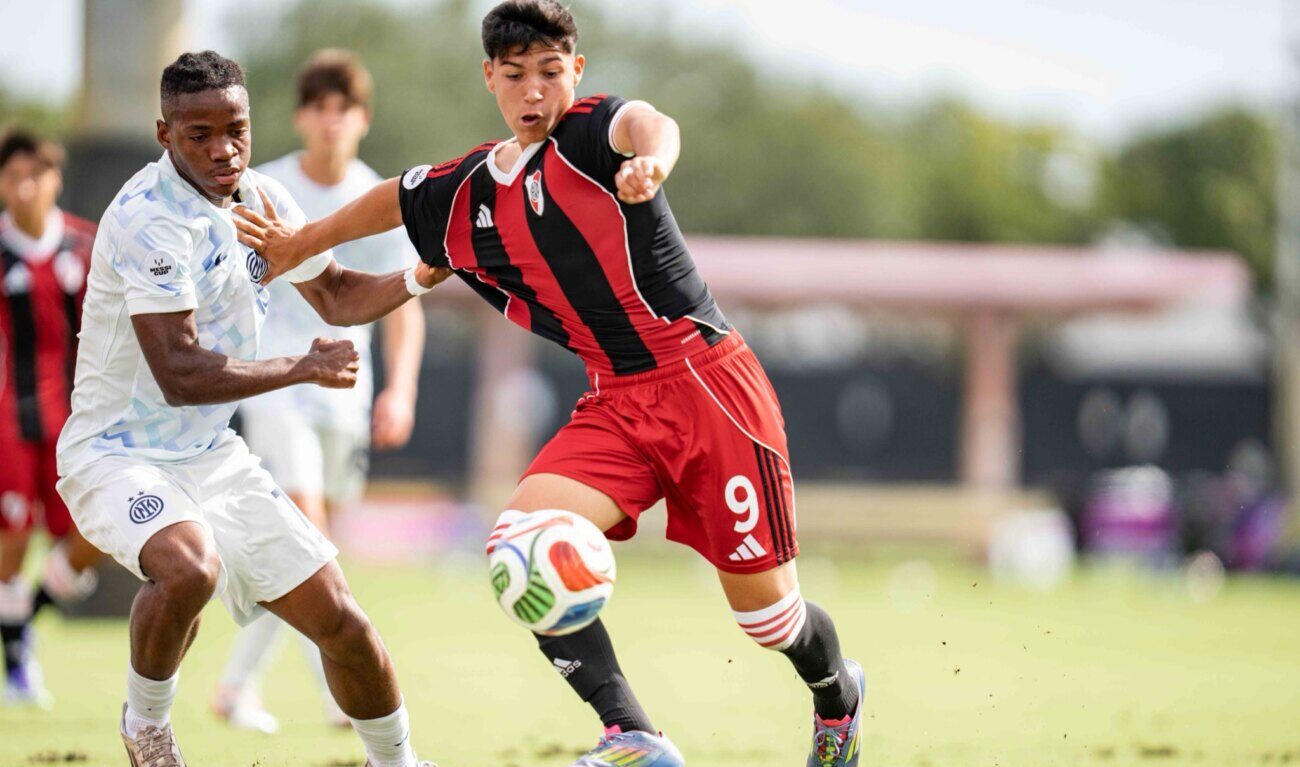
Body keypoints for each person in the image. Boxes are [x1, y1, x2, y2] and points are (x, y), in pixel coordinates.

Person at [235, 2, 865, 764]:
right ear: (488, 79)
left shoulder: (595, 135)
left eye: (549, 72)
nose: (534, 91)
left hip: (709, 387)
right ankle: (633, 732)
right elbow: (354, 275)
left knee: (770, 620)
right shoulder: (462, 195)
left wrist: (653, 165)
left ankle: (838, 695)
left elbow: (651, 124)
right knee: (520, 545)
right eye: (514, 75)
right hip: (617, 402)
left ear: (576, 73)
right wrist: (297, 246)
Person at [55, 51, 447, 766]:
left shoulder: (263, 200)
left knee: (343, 621)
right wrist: (303, 366)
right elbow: (180, 372)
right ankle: (147, 726)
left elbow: (336, 294)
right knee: (190, 567)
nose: (223, 148)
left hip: (211, 457)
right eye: (198, 134)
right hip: (116, 453)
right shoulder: (149, 221)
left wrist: (425, 273)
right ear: (163, 135)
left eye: (235, 128)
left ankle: (397, 761)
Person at [212, 49, 425, 734]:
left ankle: (235, 684)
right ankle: (341, 690)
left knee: (305, 546)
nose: (332, 122)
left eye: (345, 110)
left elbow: (404, 304)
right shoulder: (264, 187)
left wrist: (401, 392)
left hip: (347, 388)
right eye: (320, 109)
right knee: (309, 535)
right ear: (303, 117)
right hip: (277, 379)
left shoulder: (376, 197)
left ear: (362, 121)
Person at [0, 129, 104, 707]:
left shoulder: (86, 247)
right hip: (10, 419)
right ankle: (17, 663)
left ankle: (24, 621)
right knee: (13, 535)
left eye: (34, 174)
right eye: (12, 176)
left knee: (93, 539)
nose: (24, 187)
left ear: (54, 179)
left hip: (78, 422)